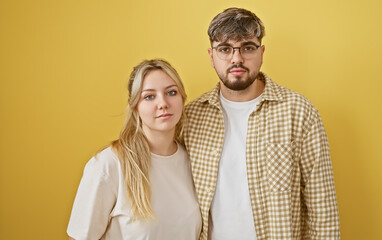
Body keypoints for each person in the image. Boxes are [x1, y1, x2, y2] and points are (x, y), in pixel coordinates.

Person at [183, 7, 340, 240]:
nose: (237, 58)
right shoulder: (190, 117)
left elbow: (322, 208)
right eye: (225, 49)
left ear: (262, 52)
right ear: (211, 55)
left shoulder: (299, 112)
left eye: (247, 47)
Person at [67, 59, 202, 240]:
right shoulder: (109, 164)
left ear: (182, 99)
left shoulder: (194, 161)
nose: (163, 103)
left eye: (171, 92)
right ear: (135, 106)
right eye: (149, 96)